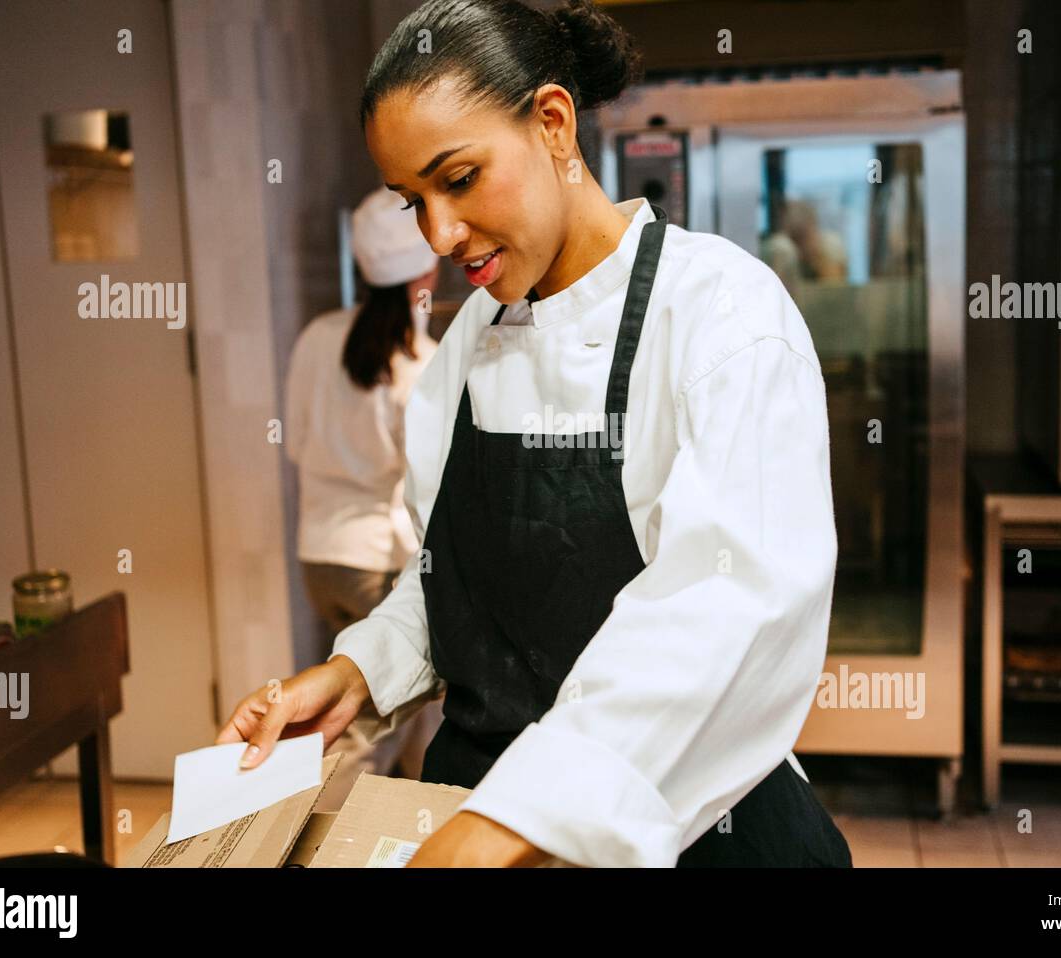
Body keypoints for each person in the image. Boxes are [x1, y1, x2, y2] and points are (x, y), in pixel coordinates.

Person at [221, 0, 852, 868]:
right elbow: (453, 579)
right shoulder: (465, 348)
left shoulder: (718, 315)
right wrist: (358, 672)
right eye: (414, 202)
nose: (439, 235)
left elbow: (726, 615)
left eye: (460, 178)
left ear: (554, 123)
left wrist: (512, 825)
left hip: (688, 827)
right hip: (474, 803)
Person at [283, 188, 445, 812]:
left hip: (318, 558)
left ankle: (417, 819)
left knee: (408, 708)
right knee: (368, 723)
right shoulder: (421, 363)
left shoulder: (316, 337)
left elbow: (296, 445)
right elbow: (419, 493)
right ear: (425, 269)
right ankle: (312, 830)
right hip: (379, 565)